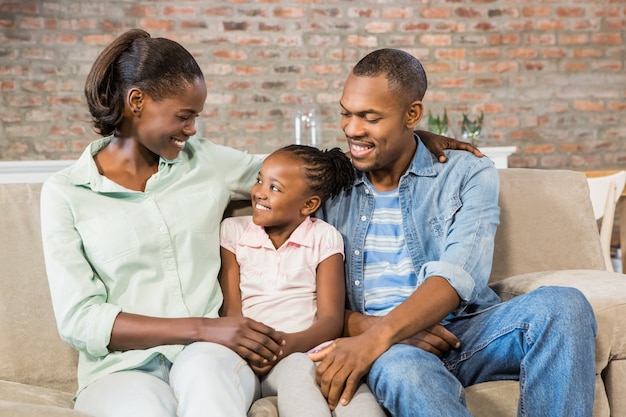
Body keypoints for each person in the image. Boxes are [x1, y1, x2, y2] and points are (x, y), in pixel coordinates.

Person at [39, 28, 478, 417]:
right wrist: (205, 327)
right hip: (124, 369)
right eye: (184, 116)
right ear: (137, 102)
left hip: (208, 354)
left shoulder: (203, 161)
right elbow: (80, 319)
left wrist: (409, 139)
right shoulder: (67, 193)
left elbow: (302, 175)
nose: (192, 129)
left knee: (208, 380)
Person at [310, 48, 598, 417]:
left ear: (411, 114)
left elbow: (457, 275)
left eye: (370, 117)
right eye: (346, 113)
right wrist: (378, 333)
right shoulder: (328, 182)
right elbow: (305, 294)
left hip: (465, 332)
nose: (352, 129)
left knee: (564, 305)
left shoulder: (465, 172)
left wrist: (378, 337)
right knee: (403, 369)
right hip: (390, 351)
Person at [219, 145, 386, 417]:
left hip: (315, 349)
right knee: (298, 371)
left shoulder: (324, 237)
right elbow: (231, 311)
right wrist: (263, 350)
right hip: (260, 360)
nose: (260, 191)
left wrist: (288, 344)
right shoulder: (234, 232)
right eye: (260, 180)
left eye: (275, 188)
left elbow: (331, 321)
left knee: (355, 397)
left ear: (309, 205)